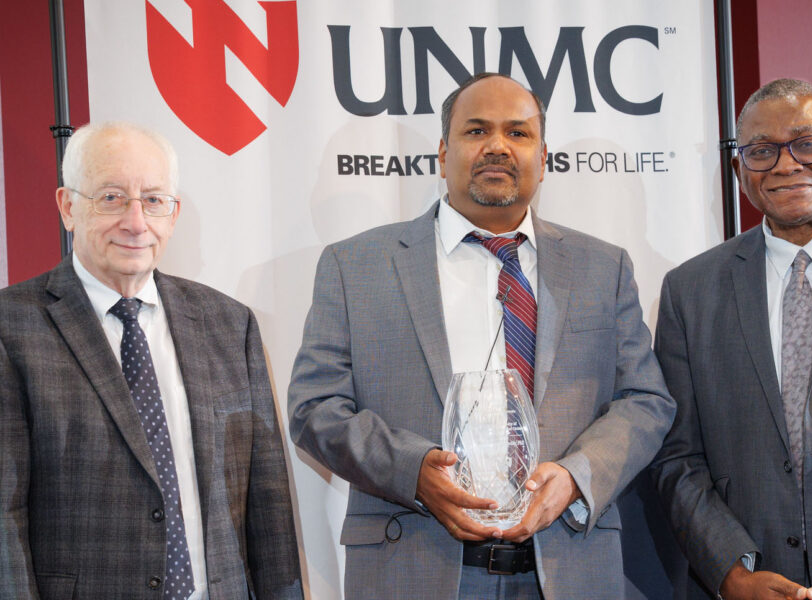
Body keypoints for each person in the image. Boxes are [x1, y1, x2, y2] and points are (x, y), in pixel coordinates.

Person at [288, 72, 674, 599]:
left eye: (518, 133)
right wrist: (413, 471)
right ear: (443, 153)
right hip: (414, 564)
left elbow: (645, 401)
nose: (498, 146)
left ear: (544, 156)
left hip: (567, 567)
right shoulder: (355, 266)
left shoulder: (602, 267)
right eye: (476, 131)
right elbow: (315, 408)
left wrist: (576, 476)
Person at [0, 122, 302, 599]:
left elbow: (269, 507)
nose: (136, 222)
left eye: (154, 200)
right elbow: (4, 518)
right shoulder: (11, 327)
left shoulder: (229, 324)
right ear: (67, 206)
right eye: (112, 198)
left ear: (173, 214)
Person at [652, 78, 812, 600]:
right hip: (754, 577)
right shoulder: (688, 290)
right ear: (741, 170)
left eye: (808, 143)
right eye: (761, 152)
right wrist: (730, 572)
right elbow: (675, 455)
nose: (786, 166)